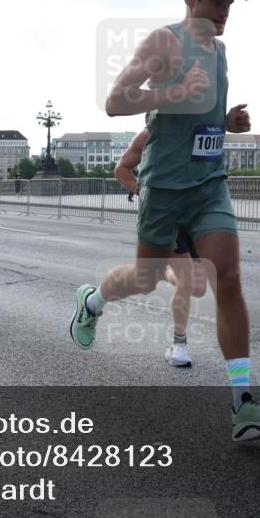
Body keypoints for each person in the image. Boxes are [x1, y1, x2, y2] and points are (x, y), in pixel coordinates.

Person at [69, 0, 260, 442]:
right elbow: (115, 101)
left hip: (209, 184)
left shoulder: (222, 52)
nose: (225, 10)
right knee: (145, 278)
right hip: (165, 187)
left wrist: (226, 123)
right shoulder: (163, 44)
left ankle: (243, 405)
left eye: (230, 3)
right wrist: (174, 93)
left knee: (228, 277)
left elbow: (203, 113)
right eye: (216, 1)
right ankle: (92, 302)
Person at [114, 128, 207, 367]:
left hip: (193, 218)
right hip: (164, 216)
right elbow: (121, 169)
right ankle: (179, 347)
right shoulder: (150, 134)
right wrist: (142, 192)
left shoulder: (200, 130)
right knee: (187, 281)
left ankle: (165, 274)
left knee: (198, 288)